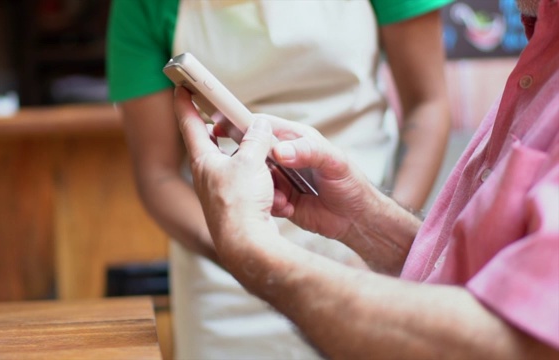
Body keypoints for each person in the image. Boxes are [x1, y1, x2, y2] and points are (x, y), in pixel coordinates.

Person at [173, 0, 559, 358]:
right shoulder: (543, 53)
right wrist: (366, 223)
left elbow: (512, 341)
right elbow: (483, 277)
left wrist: (253, 250)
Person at [107, 0, 451, 358]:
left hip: (363, 255)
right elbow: (156, 174)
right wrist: (239, 247)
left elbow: (428, 104)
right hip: (226, 281)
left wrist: (379, 241)